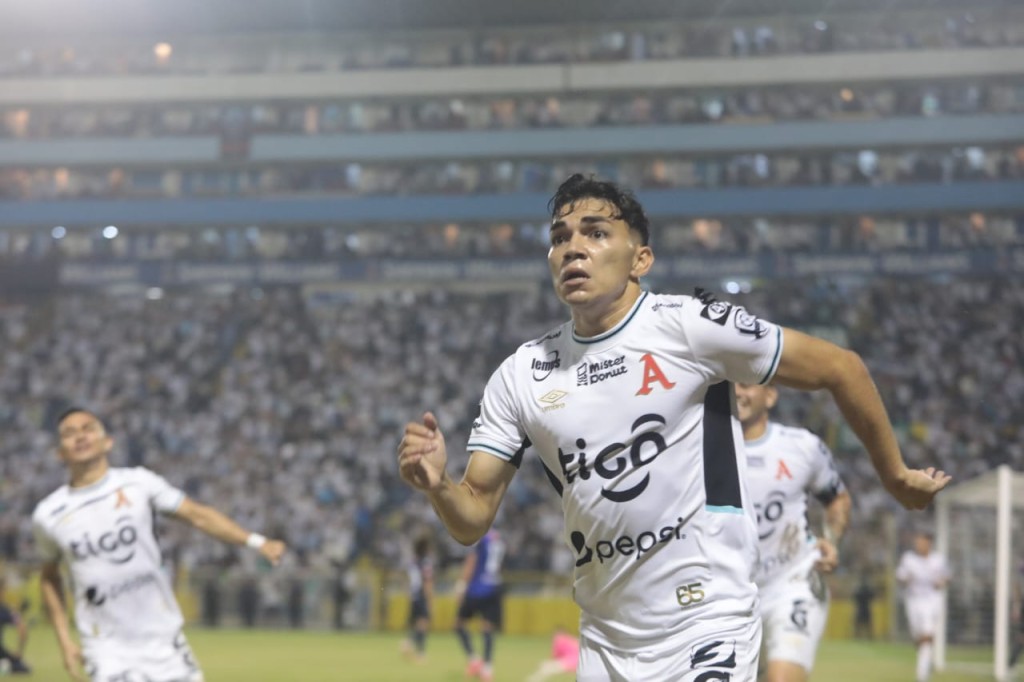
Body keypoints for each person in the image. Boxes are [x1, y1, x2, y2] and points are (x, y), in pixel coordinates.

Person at [398, 173, 951, 681]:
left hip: (708, 619)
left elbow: (841, 367)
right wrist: (438, 486)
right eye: (560, 236)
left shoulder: (691, 326)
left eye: (595, 233)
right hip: (606, 639)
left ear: (640, 258)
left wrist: (895, 474)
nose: (573, 247)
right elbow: (472, 517)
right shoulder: (520, 374)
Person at [32, 407, 287, 682]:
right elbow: (49, 577)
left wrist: (256, 541)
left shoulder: (139, 483)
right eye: (69, 434)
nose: (80, 437)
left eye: (88, 428)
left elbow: (198, 516)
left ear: (108, 442)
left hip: (163, 638)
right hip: (106, 648)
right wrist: (64, 639)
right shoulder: (49, 514)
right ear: (60, 452)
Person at [735, 382, 852, 682]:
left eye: (746, 384)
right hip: (729, 594)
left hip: (792, 583)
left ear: (771, 395)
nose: (736, 391)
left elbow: (837, 498)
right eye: (730, 383)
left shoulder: (802, 446)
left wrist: (831, 539)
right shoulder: (700, 446)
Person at [896, 531, 950, 682]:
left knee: (927, 635)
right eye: (917, 542)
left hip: (932, 601)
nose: (918, 545)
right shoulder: (909, 559)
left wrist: (942, 582)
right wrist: (906, 579)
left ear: (929, 543)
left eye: (922, 542)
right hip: (913, 601)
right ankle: (927, 661)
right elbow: (900, 577)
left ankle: (922, 676)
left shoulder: (938, 560)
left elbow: (947, 576)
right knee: (918, 637)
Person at [454, 528, 505, 681]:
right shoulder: (498, 538)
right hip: (494, 586)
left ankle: (474, 659)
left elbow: (472, 560)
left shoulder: (480, 537)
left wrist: (462, 584)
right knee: (488, 628)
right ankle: (487, 668)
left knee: (459, 624)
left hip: (477, 588)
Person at [400, 535, 434, 662]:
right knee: (423, 624)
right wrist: (429, 598)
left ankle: (409, 643)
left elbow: (408, 579)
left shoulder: (413, 561)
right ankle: (419, 651)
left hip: (413, 595)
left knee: (416, 623)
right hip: (421, 595)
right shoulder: (426, 562)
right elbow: (427, 581)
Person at [0, 577, 30, 675]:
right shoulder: (5, 610)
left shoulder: (6, 610)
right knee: (22, 668)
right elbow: (22, 629)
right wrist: (18, 652)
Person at [853, 573, 877, 640]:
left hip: (863, 608)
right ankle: (863, 637)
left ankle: (865, 637)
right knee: (863, 624)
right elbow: (872, 596)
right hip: (864, 608)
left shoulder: (860, 589)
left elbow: (855, 597)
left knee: (865, 624)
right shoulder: (865, 589)